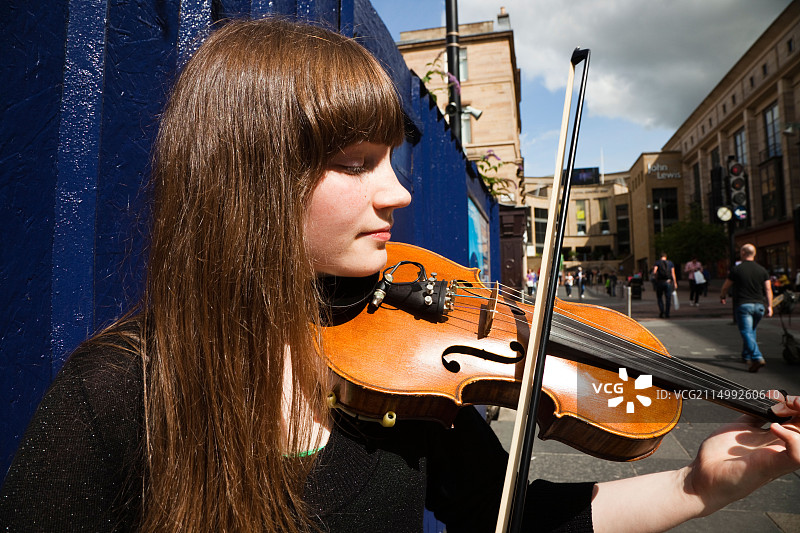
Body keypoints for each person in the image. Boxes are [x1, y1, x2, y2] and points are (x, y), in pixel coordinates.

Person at [1, 17, 799, 533]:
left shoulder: (405, 390)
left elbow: (520, 516)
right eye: (355, 163)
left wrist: (703, 482)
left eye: (391, 159)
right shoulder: (115, 395)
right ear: (245, 179)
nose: (399, 192)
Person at [720, 244, 773, 373]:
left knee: (746, 332)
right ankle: (746, 355)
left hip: (744, 305)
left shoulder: (737, 270)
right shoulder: (762, 270)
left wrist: (722, 296)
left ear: (743, 253)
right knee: (751, 330)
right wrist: (770, 306)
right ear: (754, 254)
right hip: (759, 306)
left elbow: (726, 286)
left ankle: (756, 357)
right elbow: (768, 289)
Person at [652, 251, 678, 318]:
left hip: (660, 282)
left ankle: (661, 311)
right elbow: (673, 273)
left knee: (660, 297)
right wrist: (675, 283)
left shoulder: (657, 262)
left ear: (660, 257)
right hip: (668, 282)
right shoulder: (670, 263)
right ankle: (667, 313)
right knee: (668, 298)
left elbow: (654, 272)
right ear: (666, 257)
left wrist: (656, 278)